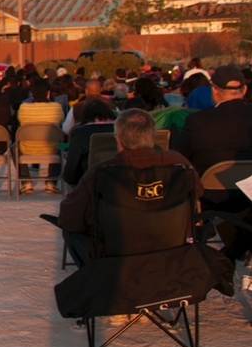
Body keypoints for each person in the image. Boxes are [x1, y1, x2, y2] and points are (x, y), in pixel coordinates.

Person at [54, 108, 199, 267]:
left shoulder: (102, 172)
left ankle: (96, 275)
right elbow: (197, 192)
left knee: (72, 230)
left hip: (119, 255)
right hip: (171, 246)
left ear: (118, 139)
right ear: (153, 135)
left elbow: (69, 217)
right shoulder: (179, 163)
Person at [175, 64, 252, 261]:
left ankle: (229, 254)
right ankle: (236, 250)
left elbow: (182, 158)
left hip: (213, 195)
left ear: (215, 91)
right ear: (244, 90)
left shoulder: (198, 121)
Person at [16, 81, 65, 194]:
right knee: (60, 143)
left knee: (14, 146)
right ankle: (51, 182)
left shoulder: (23, 107)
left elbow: (20, 121)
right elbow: (61, 122)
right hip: (52, 148)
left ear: (31, 94)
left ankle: (26, 181)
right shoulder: (57, 107)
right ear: (48, 93)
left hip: (27, 148)